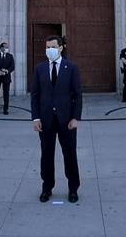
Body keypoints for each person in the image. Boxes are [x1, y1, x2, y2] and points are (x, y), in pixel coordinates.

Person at [31, 35, 82, 202]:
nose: (49, 50)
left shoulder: (72, 67)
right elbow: (35, 95)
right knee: (46, 155)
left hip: (66, 120)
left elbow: (77, 95)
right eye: (47, 47)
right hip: (45, 120)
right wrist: (35, 118)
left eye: (52, 47)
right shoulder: (40, 68)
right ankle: (47, 188)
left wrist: (75, 118)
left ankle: (73, 189)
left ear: (61, 47)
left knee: (70, 154)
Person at [0, 41, 15, 115]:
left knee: (6, 94)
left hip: (6, 77)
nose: (7, 48)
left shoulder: (10, 56)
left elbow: (12, 67)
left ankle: (5, 109)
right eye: (5, 47)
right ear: (1, 48)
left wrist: (6, 71)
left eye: (7, 47)